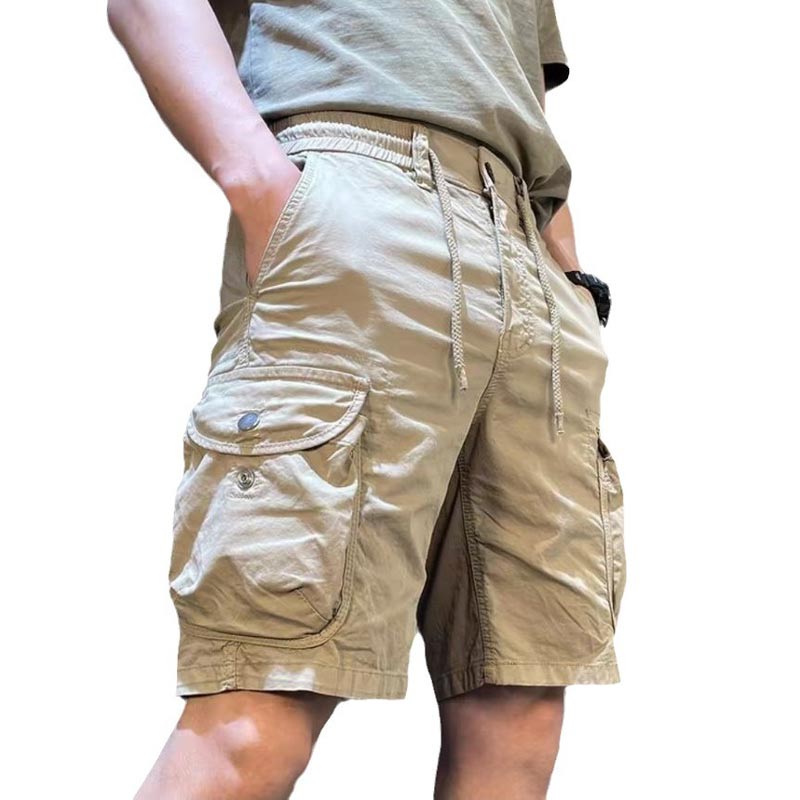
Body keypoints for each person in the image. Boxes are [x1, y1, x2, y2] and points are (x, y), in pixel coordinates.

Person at [108, 1, 627, 797]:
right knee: (264, 697)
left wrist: (570, 279)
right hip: (360, 203)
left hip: (527, 247)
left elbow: (514, 88)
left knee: (518, 704)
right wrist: (260, 182)